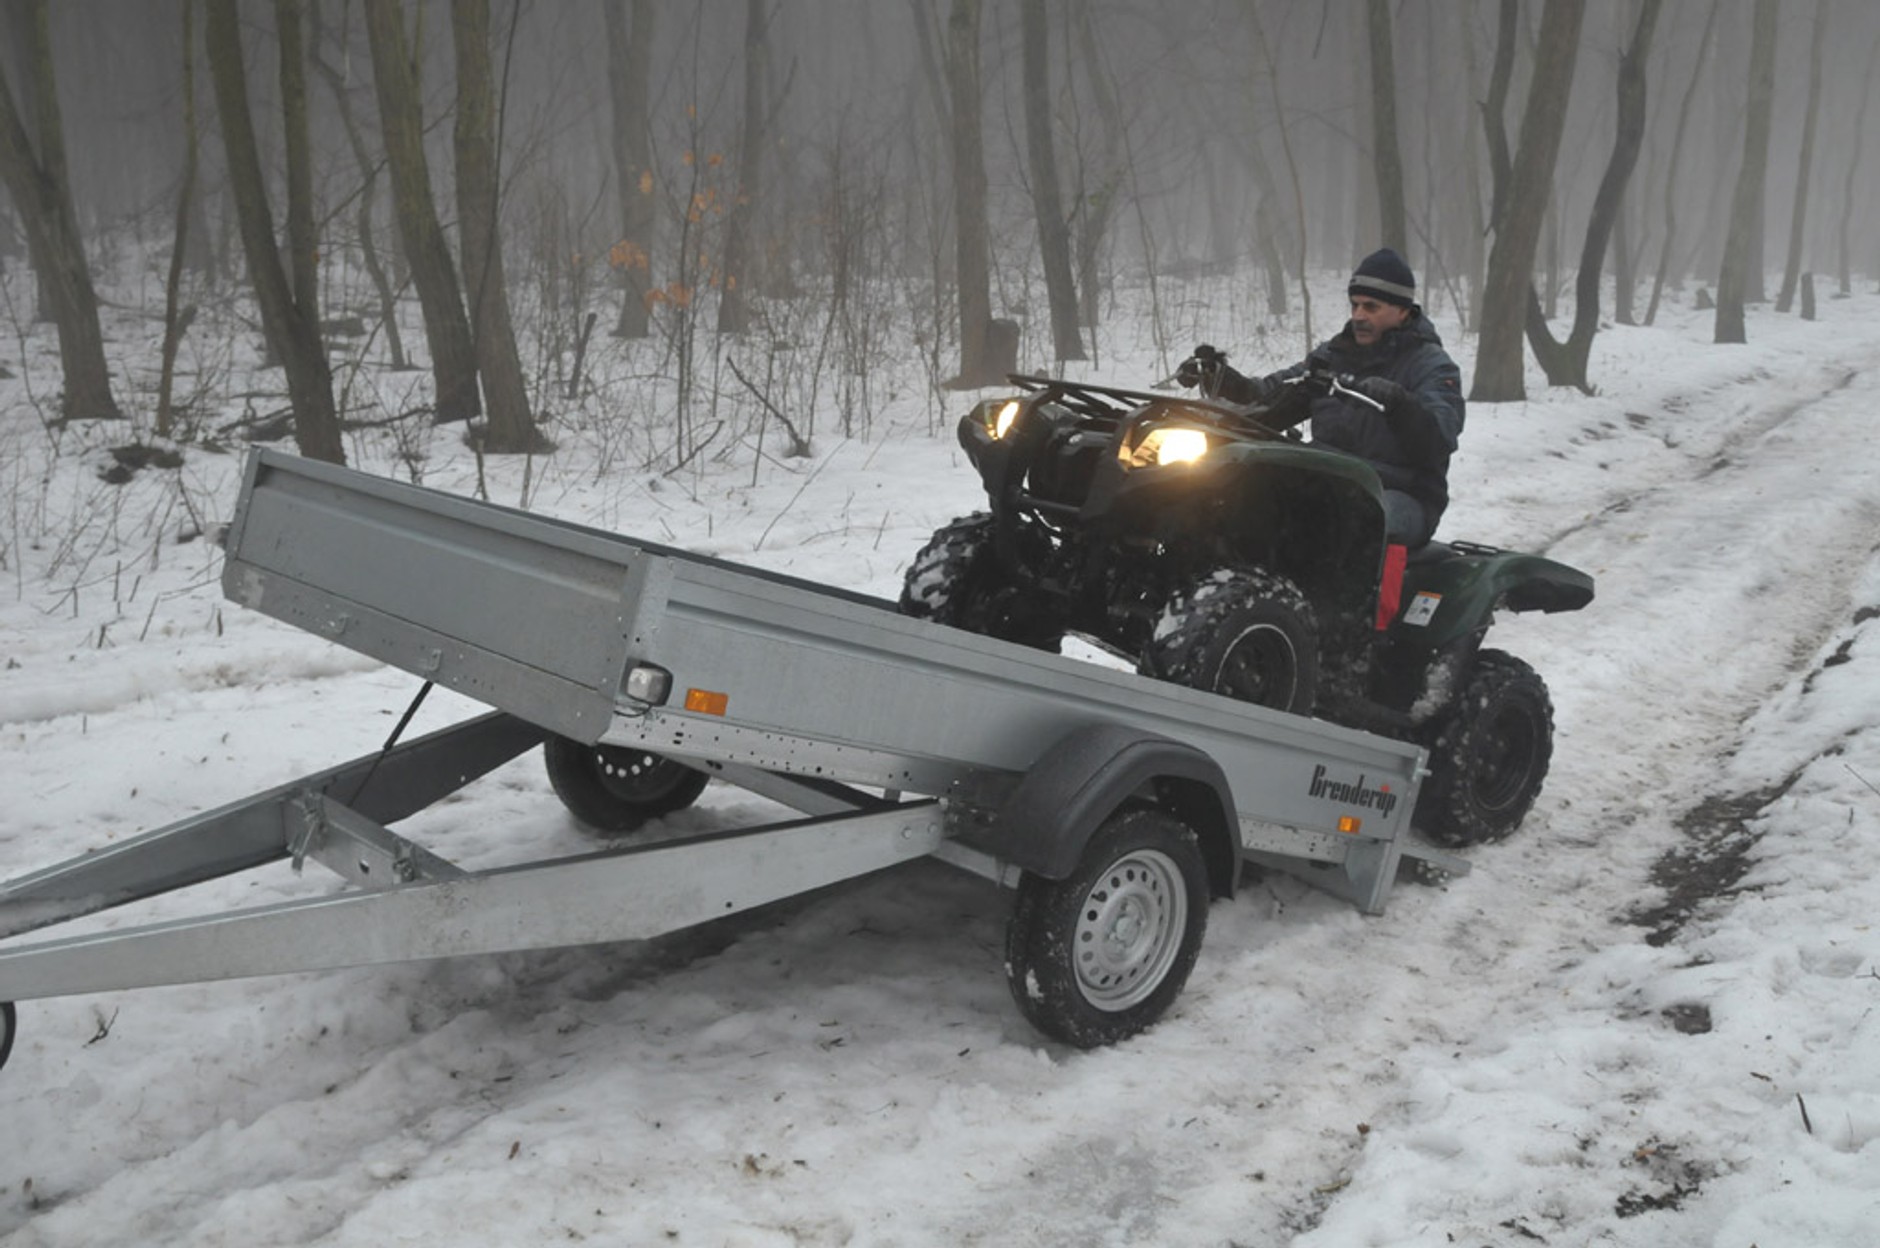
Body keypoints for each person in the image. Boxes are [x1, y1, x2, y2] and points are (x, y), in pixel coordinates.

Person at [1178, 248, 1464, 548]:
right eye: (1354, 306)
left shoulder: (1432, 366)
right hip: (1328, 477)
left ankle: (1368, 595)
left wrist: (1400, 405)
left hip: (1399, 491)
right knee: (1242, 502)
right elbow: (1273, 391)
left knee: (1360, 520)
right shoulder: (1333, 355)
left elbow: (1441, 436)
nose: (1358, 316)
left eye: (1371, 307)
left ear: (1403, 311)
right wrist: (1221, 378)